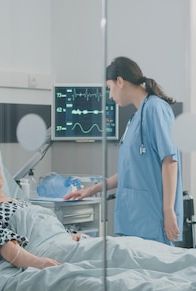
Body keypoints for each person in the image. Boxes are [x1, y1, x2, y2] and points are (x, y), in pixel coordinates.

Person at [64, 56, 183, 245]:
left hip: (152, 218)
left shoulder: (155, 109)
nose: (110, 95)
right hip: (134, 219)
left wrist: (168, 211)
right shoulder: (136, 117)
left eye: (110, 88)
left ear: (120, 81)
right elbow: (131, 171)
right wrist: (92, 190)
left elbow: (170, 161)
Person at [0, 145, 86, 271]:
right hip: (42, 251)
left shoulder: (20, 202)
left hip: (63, 242)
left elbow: (45, 227)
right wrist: (39, 263)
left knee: (103, 246)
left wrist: (74, 236)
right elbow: (1, 242)